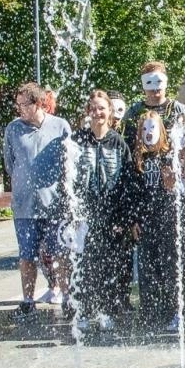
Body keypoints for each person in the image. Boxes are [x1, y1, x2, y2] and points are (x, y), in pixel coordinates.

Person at [3, 81, 74, 317]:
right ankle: (28, 300)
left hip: (54, 205)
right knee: (26, 255)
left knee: (61, 254)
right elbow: (9, 164)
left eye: (24, 105)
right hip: (24, 206)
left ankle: (66, 297)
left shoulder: (60, 126)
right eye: (18, 105)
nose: (19, 109)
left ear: (38, 104)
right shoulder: (13, 129)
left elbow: (69, 164)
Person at [73, 90, 131, 330]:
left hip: (111, 216)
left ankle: (106, 311)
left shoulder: (118, 142)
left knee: (109, 266)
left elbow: (128, 182)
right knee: (86, 265)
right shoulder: (78, 140)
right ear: (89, 112)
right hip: (86, 215)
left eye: (102, 108)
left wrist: (124, 217)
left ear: (109, 112)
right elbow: (69, 179)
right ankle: (85, 311)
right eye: (93, 108)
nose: (98, 113)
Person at [123, 110, 182, 332]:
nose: (149, 133)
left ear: (162, 132)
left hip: (165, 221)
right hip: (145, 222)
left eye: (153, 128)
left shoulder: (168, 156)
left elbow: (175, 191)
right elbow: (133, 193)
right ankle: (149, 312)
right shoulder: (137, 160)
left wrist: (171, 180)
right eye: (144, 129)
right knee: (147, 269)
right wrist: (134, 220)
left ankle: (172, 311)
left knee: (169, 267)